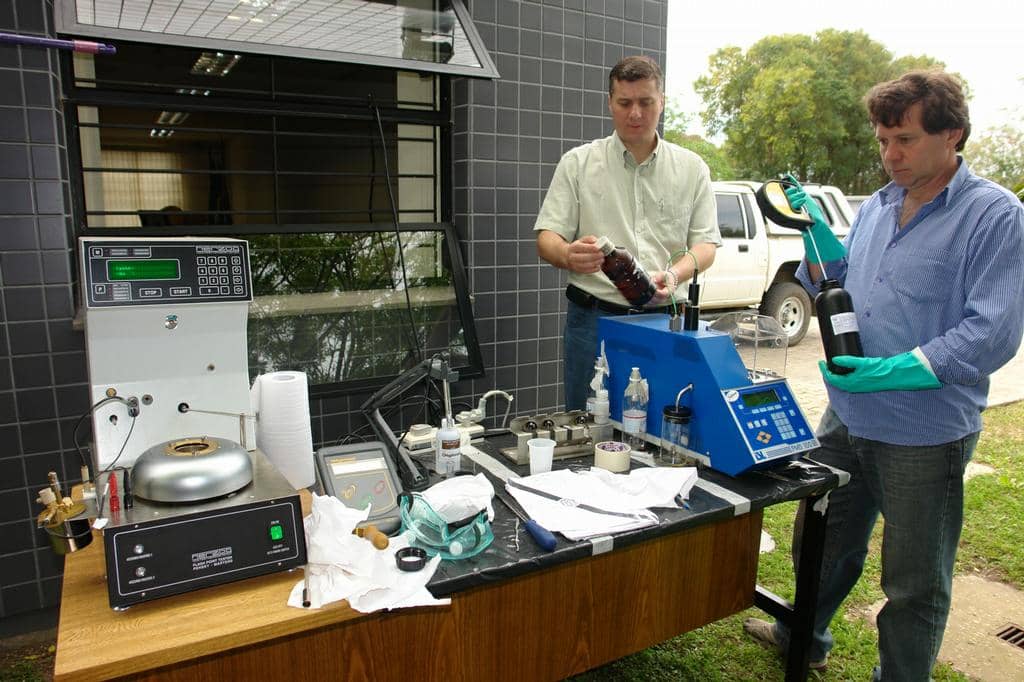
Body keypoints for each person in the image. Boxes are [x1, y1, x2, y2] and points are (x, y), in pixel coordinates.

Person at [743, 70, 1024, 680]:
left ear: (952, 134)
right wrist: (816, 239)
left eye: (904, 140)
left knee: (914, 582)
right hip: (847, 415)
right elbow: (844, 281)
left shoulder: (994, 215)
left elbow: (993, 331)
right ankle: (804, 638)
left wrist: (901, 369)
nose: (889, 155)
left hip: (924, 432)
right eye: (881, 140)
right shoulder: (877, 205)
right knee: (820, 544)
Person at [534, 55, 720, 410]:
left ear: (662, 102)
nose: (636, 113)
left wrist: (674, 272)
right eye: (625, 103)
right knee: (587, 424)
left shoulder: (692, 169)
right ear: (610, 103)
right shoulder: (578, 163)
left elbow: (706, 245)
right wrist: (566, 254)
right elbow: (546, 239)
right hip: (593, 322)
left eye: (646, 102)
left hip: (664, 321)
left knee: (662, 424)